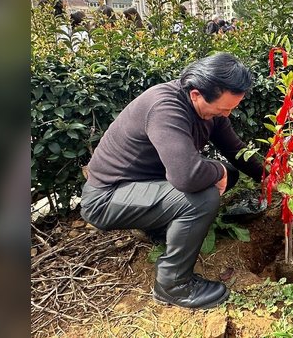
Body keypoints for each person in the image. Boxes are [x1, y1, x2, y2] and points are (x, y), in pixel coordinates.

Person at [80, 53, 264, 309]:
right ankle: (173, 286)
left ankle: (164, 229)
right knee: (202, 196)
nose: (227, 114)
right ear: (197, 94)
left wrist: (271, 178)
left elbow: (236, 150)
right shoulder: (165, 107)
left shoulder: (210, 112)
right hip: (107, 197)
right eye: (224, 109)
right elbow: (186, 176)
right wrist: (217, 170)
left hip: (143, 186)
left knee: (230, 174)